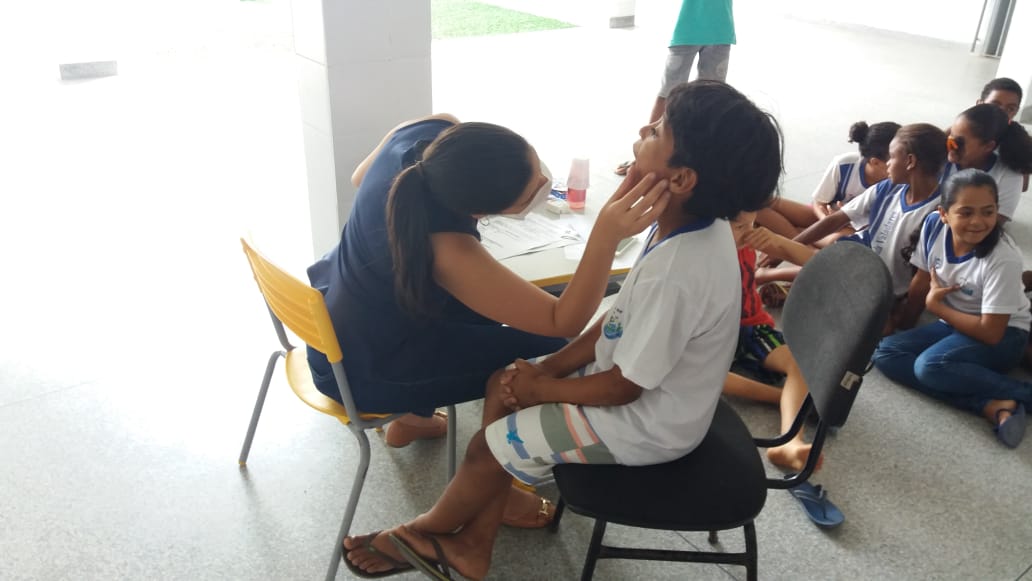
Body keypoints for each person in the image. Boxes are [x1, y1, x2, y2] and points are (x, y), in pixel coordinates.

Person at [341, 80, 783, 580]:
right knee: (503, 382)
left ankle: (418, 531)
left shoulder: (679, 273)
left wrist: (544, 387)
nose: (645, 127)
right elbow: (616, 320)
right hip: (636, 394)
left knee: (488, 445)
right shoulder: (688, 228)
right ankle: (473, 547)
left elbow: (624, 387)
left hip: (644, 426)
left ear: (680, 179)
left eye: (659, 130)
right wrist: (546, 369)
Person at [307, 114, 669, 528]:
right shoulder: (447, 248)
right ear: (479, 211)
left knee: (485, 315)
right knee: (553, 356)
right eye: (531, 191)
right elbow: (563, 320)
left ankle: (412, 420)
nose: (542, 183)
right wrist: (605, 235)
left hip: (337, 326)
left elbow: (360, 178)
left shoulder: (427, 132)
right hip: (364, 372)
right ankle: (493, 489)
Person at [873, 169, 1031, 448]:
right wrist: (903, 325)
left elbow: (991, 333)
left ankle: (1023, 394)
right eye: (966, 212)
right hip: (957, 323)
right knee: (885, 352)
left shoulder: (1003, 258)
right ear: (944, 214)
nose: (978, 222)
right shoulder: (933, 225)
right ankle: (989, 404)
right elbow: (922, 279)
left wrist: (936, 306)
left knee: (930, 366)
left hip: (1005, 335)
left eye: (988, 212)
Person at [788, 124, 948, 332]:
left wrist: (905, 322)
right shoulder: (887, 188)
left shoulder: (939, 213)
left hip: (891, 293)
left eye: (892, 157)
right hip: (864, 273)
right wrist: (789, 246)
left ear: (910, 161)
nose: (887, 163)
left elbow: (921, 281)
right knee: (822, 276)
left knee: (871, 329)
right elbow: (836, 220)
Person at [724, 212, 820, 472]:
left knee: (800, 363)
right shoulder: (699, 251)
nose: (749, 232)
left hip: (751, 326)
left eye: (753, 224)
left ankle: (790, 442)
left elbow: (820, 264)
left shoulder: (747, 240)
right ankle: (779, 397)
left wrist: (778, 241)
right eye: (739, 226)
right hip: (712, 334)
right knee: (698, 373)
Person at [614, 0, 734, 176]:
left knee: (711, 99)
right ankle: (644, 155)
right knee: (668, 94)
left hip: (721, 31)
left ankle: (701, 158)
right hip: (686, 30)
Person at [755, 121, 901, 242]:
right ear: (875, 162)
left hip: (851, 229)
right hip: (825, 216)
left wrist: (840, 222)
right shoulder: (845, 165)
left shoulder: (899, 182)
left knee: (838, 240)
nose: (906, 164)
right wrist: (826, 219)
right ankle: (800, 241)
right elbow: (819, 202)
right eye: (898, 158)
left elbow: (879, 228)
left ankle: (798, 242)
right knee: (758, 204)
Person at [940, 103, 1032, 221]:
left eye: (958, 142)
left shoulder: (1008, 176)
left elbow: (994, 223)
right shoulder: (939, 157)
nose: (950, 146)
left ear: (988, 146)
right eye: (950, 137)